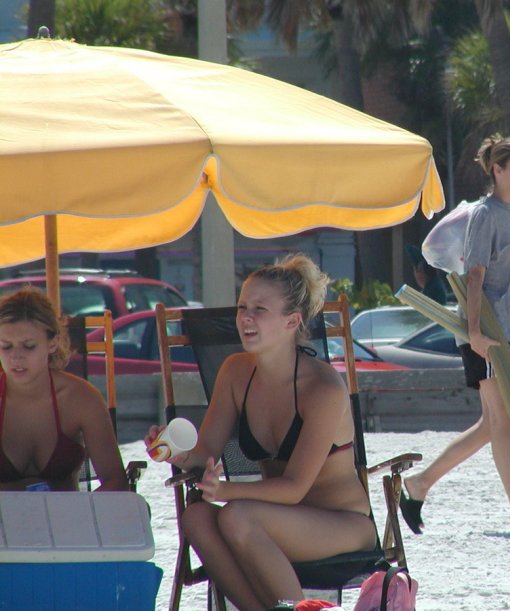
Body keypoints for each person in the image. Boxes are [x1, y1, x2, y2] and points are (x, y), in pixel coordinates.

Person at [144, 255, 377, 610]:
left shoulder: (323, 388)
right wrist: (176, 451)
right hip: (273, 520)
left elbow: (295, 488)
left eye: (260, 309)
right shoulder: (236, 372)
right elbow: (206, 450)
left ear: (292, 321)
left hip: (341, 525)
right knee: (197, 517)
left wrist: (224, 490)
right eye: (242, 307)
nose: (245, 318)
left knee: (237, 515)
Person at [399, 134, 510, 535]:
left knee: (495, 422)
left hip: (503, 327)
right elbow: (474, 276)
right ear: (496, 170)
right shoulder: (485, 214)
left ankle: (421, 484)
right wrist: (475, 332)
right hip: (486, 330)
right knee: (501, 419)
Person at [0, 287, 127, 492]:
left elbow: (116, 481)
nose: (16, 357)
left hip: (68, 519)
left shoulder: (81, 399)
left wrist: (86, 515)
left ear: (53, 343)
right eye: (6, 346)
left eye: (29, 346)